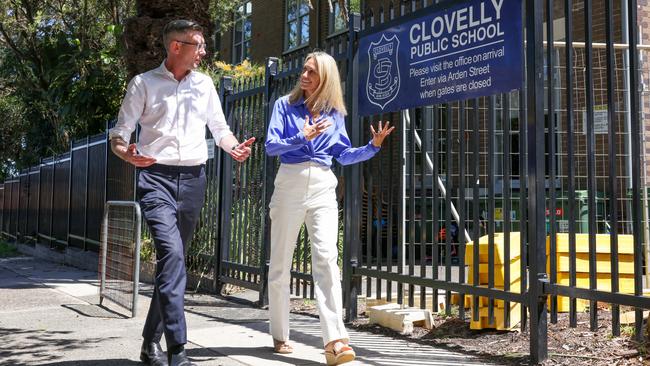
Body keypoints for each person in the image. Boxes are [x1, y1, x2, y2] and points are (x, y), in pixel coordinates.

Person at [109, 19, 254, 366]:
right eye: (198, 45)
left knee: (172, 264)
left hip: (193, 180)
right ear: (176, 46)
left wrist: (233, 147)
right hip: (154, 177)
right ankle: (178, 349)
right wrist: (125, 151)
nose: (204, 52)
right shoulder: (143, 84)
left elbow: (220, 128)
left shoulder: (204, 85)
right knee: (172, 257)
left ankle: (149, 343)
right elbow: (120, 134)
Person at [265, 51, 394, 366]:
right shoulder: (284, 105)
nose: (304, 75)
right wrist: (300, 136)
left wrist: (372, 147)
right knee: (280, 262)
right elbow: (271, 146)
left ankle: (335, 341)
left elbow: (344, 155)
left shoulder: (335, 114)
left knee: (326, 260)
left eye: (312, 72)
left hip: (323, 184)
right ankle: (280, 333)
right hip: (290, 182)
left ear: (325, 79)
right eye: (304, 70)